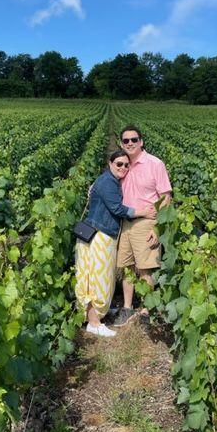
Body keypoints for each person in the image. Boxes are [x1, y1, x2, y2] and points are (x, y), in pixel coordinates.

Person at [75, 150, 156, 337]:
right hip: (98, 235)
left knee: (103, 276)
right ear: (110, 164)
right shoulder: (107, 182)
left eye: (126, 165)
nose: (123, 168)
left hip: (103, 234)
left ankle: (99, 312)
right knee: (94, 278)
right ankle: (94, 322)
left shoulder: (109, 180)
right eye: (119, 164)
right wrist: (144, 212)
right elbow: (117, 208)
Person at [113, 126, 172, 327]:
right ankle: (127, 308)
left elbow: (165, 197)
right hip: (126, 223)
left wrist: (158, 228)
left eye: (134, 139)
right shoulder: (123, 165)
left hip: (147, 223)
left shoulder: (155, 164)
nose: (130, 143)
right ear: (121, 144)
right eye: (126, 140)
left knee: (146, 269)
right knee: (127, 268)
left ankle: (147, 310)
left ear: (141, 141)